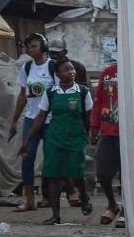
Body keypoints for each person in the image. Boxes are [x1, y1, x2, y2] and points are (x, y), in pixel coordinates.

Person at [21, 59, 93, 224]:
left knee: (77, 174)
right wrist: (27, 139)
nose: (71, 72)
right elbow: (41, 116)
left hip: (75, 138)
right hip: (54, 138)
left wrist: (88, 135)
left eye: (72, 69)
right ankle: (55, 215)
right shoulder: (50, 93)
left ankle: (84, 197)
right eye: (66, 70)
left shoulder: (83, 92)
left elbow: (88, 117)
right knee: (53, 176)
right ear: (58, 74)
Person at [9, 34, 57, 212]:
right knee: (27, 157)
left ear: (43, 47)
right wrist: (14, 120)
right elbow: (23, 95)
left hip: (50, 119)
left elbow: (60, 92)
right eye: (28, 47)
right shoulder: (27, 67)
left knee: (51, 159)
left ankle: (50, 197)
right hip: (31, 117)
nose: (30, 50)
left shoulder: (53, 67)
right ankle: (29, 200)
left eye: (34, 46)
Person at [91, 61, 123, 226]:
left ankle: (126, 211)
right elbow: (98, 101)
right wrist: (94, 126)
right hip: (109, 131)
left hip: (130, 133)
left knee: (127, 175)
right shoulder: (109, 72)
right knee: (103, 173)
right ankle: (112, 204)